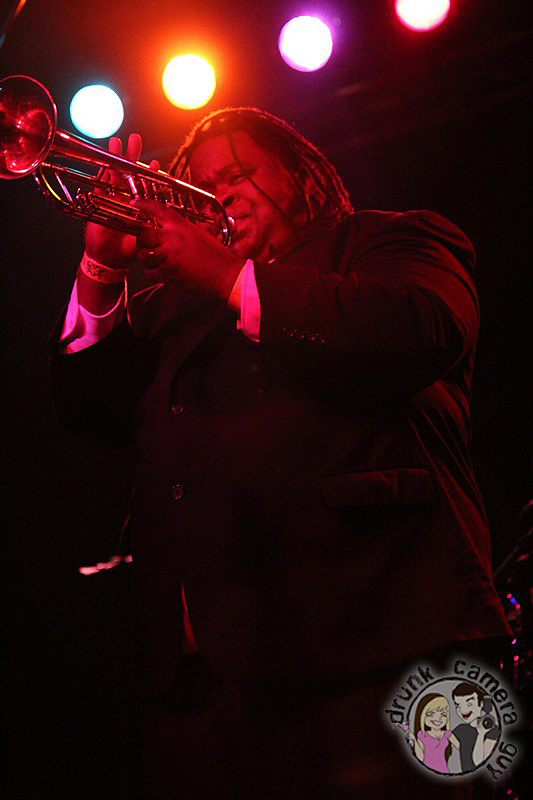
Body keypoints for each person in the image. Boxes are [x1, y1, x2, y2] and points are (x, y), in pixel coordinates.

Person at [50, 108, 511, 799]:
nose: (218, 194)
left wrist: (230, 278)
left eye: (236, 175)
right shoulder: (174, 306)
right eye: (201, 183)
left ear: (303, 179)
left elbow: (422, 327)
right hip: (204, 686)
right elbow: (89, 410)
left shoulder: (389, 238)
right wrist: (101, 268)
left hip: (382, 647)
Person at [452, 682, 500, 772]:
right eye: (458, 705)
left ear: (481, 703)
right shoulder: (460, 729)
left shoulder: (492, 730)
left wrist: (481, 734)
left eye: (469, 704)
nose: (463, 710)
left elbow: (479, 762)